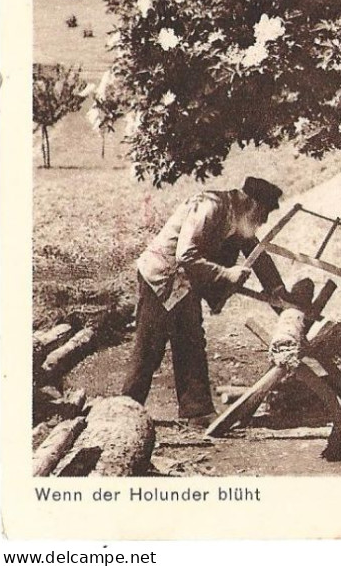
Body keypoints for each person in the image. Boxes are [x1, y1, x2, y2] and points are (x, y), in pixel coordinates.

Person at [122, 175, 286, 426]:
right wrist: (226, 274)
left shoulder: (240, 217)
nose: (263, 222)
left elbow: (259, 258)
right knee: (149, 347)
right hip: (161, 275)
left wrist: (280, 295)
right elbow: (186, 255)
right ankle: (125, 412)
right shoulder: (210, 207)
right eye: (263, 214)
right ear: (253, 205)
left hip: (184, 281)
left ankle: (196, 412)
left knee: (190, 342)